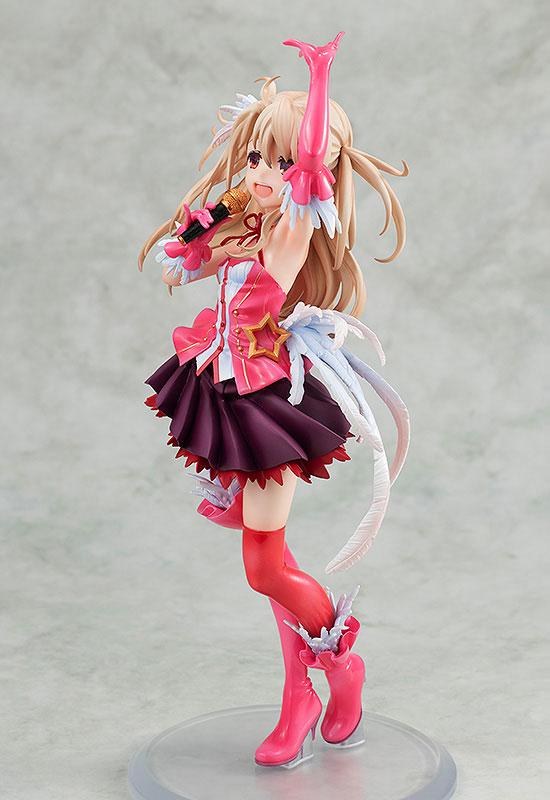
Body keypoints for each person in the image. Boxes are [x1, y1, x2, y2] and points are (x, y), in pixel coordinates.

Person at [138, 32, 410, 768]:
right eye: (259, 156)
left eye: (280, 163)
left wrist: (318, 79)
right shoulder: (248, 224)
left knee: (264, 567)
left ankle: (342, 666)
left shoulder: (292, 224)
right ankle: (299, 699)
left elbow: (314, 162)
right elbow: (178, 267)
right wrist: (198, 236)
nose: (265, 172)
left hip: (266, 401)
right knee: (271, 563)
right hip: (222, 385)